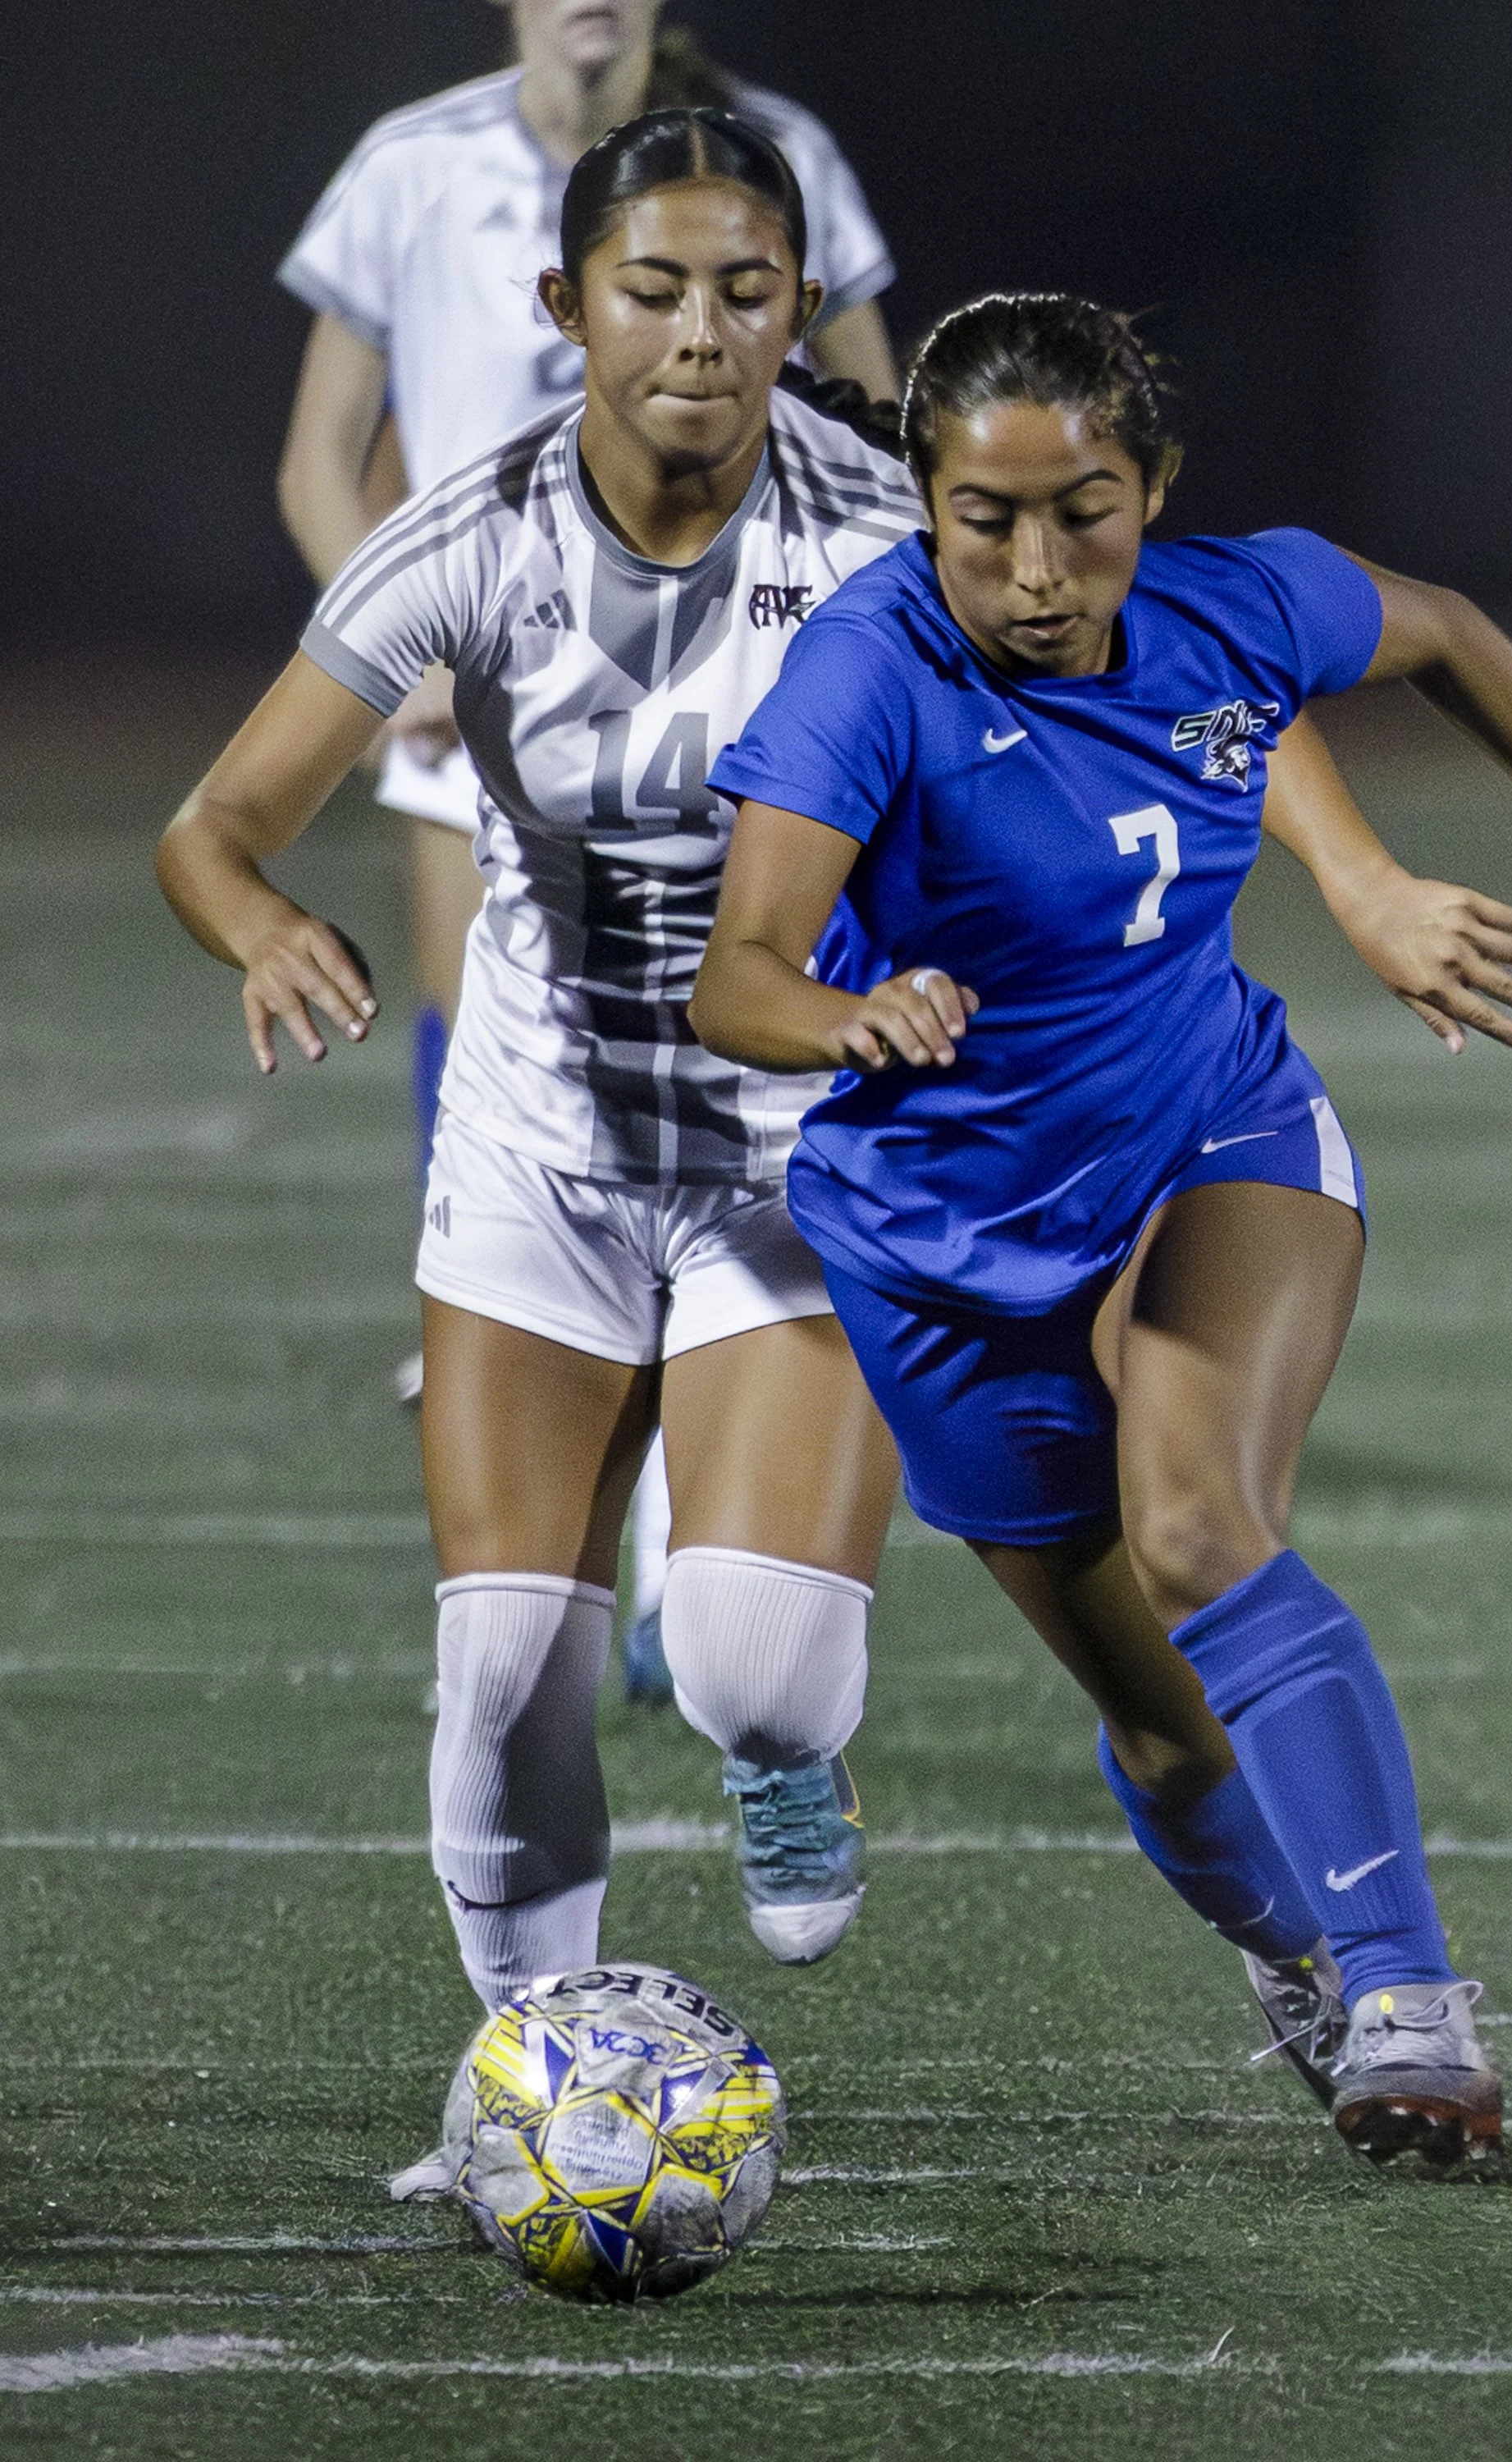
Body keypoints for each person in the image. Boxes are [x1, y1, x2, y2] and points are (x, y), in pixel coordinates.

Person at [690, 292, 1512, 2162]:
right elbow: (737, 975)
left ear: (1155, 491)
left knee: (1199, 1524)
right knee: (1162, 1721)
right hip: (942, 1245)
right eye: (984, 517)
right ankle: (1300, 1958)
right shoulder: (869, 672)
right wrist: (845, 1014)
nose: (1036, 563)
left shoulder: (1240, 602)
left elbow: (1448, 630)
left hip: (1207, 1134)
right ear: (925, 505)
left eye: (1084, 508)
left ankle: (1409, 1991)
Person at [160, 113, 930, 2071]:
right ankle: (545, 2079)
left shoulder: (887, 533)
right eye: (651, 289)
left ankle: (791, 1751)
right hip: (543, 1147)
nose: (699, 333)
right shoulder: (472, 531)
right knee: (506, 1678)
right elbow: (215, 825)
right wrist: (256, 920)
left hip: (799, 1151)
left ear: (804, 310)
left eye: (748, 293)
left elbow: (1120, 701)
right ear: (562, 305)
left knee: (752, 1667)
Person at [275, 3, 902, 1699]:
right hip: (510, 689)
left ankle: (706, 1563)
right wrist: (397, 641)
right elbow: (321, 457)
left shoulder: (777, 156)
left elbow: (882, 414)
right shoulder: (412, 168)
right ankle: (547, 1438)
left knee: (742, 1095)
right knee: (520, 1066)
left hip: (751, 688)